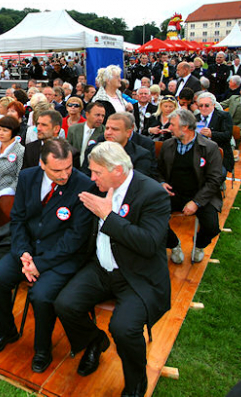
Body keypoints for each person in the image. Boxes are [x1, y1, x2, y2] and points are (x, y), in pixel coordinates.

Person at [54, 142, 171, 396]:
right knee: (64, 304)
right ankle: (95, 341)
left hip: (136, 275)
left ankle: (136, 383)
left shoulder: (152, 194)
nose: (92, 177)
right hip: (101, 268)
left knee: (123, 328)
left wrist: (109, 216)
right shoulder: (98, 188)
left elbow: (149, 244)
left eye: (97, 172)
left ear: (117, 170)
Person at [0, 139, 93, 373]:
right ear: (42, 164)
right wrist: (23, 252)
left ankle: (43, 349)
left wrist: (39, 264)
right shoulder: (27, 177)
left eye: (68, 167)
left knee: (41, 296)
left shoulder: (84, 185)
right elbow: (19, 219)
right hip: (28, 249)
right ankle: (5, 332)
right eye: (57, 170)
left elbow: (75, 238)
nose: (64, 175)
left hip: (61, 256)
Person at [158, 109, 225, 264]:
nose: (169, 128)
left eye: (172, 125)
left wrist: (196, 202)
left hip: (201, 194)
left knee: (212, 227)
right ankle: (173, 244)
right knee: (153, 218)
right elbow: (158, 170)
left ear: (185, 127)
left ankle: (199, 245)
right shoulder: (167, 145)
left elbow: (215, 179)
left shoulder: (209, 147)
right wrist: (161, 183)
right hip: (173, 193)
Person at [0, 115, 24, 203]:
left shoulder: (21, 151)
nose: (1, 133)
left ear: (13, 132)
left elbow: (19, 178)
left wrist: (1, 193)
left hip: (8, 197)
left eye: (5, 130)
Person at [196, 92, 234, 175]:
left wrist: (212, 134)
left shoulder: (223, 116)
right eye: (201, 106)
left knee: (217, 175)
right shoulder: (196, 118)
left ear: (213, 105)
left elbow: (227, 135)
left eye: (206, 105)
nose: (203, 108)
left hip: (219, 156)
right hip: (199, 154)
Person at [67, 101, 107, 166]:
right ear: (87, 115)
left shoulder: (104, 132)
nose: (100, 118)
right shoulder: (73, 130)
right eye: (97, 115)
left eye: (103, 116)